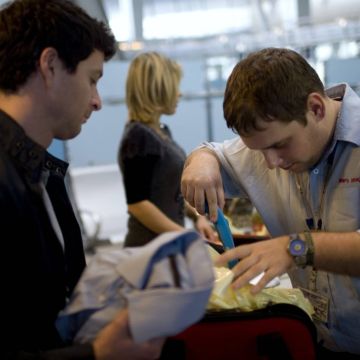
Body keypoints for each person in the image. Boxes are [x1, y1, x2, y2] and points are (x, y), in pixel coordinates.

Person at [0, 0, 163, 358]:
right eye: (92, 80)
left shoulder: (39, 175)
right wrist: (99, 354)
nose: (97, 101)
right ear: (51, 65)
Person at [181, 47, 360, 358]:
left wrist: (294, 248)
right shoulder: (269, 147)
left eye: (280, 145)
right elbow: (216, 152)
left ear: (316, 108)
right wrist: (201, 161)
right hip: (318, 341)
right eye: (260, 150)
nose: (271, 163)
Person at [118, 51, 216, 247]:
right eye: (175, 86)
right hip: (148, 248)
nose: (179, 93)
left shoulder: (160, 131)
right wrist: (183, 234)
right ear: (157, 89)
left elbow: (171, 191)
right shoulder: (138, 136)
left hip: (167, 244)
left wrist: (197, 217)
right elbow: (138, 204)